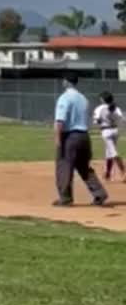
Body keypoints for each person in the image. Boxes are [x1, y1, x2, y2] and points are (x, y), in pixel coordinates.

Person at [53, 73, 108, 207]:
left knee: (64, 166)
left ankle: (65, 198)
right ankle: (99, 193)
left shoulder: (65, 98)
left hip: (70, 136)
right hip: (84, 135)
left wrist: (57, 138)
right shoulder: (83, 98)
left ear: (66, 82)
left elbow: (60, 120)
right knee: (84, 167)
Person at [93, 91, 126, 183]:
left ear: (103, 99)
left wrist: (102, 120)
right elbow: (122, 119)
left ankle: (123, 171)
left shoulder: (100, 108)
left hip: (106, 131)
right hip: (115, 131)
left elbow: (96, 121)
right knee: (109, 153)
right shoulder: (116, 108)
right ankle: (107, 173)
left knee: (113, 153)